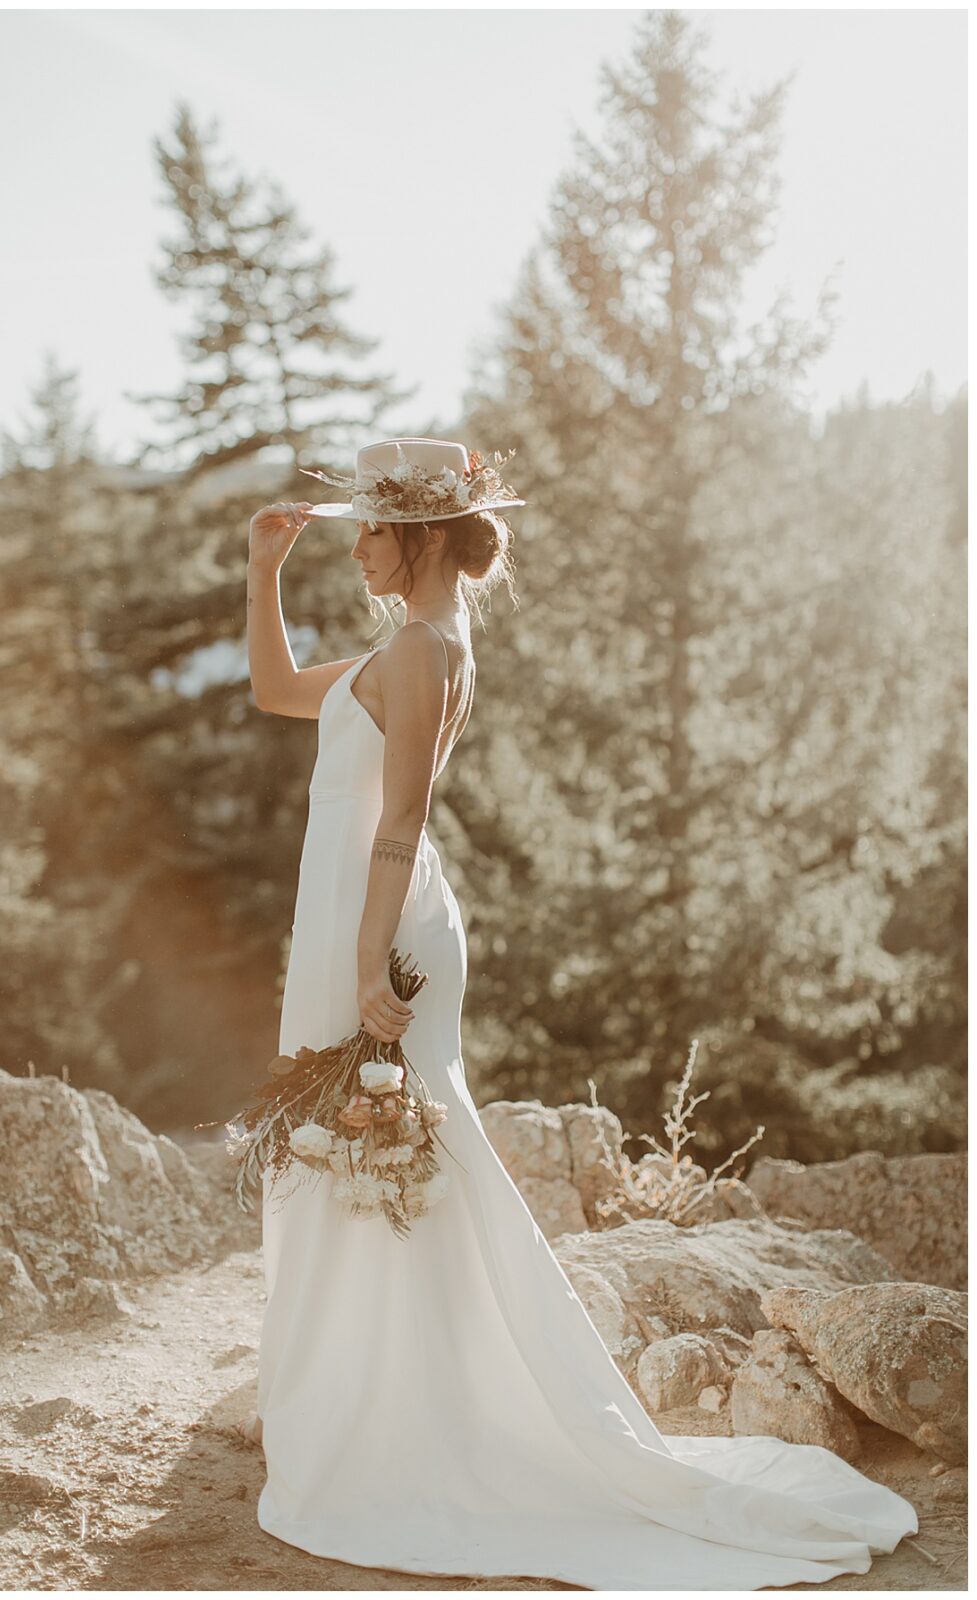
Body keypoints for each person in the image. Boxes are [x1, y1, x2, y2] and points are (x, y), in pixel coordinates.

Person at [233, 437, 918, 1589]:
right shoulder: (414, 645)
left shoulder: (416, 653)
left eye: (372, 530)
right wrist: (260, 572)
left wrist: (365, 970)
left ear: (419, 536)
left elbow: (398, 823)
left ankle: (409, 1409)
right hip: (368, 913)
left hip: (377, 920)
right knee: (372, 1159)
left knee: (390, 1156)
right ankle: (374, 1389)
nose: (357, 548)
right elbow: (270, 691)